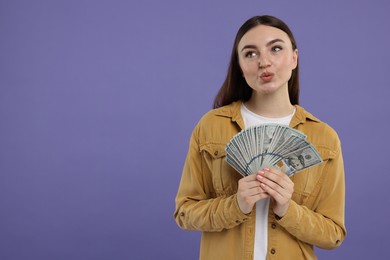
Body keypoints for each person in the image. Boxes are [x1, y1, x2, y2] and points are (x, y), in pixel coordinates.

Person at [174, 15, 346, 260]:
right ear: (240, 66)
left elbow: (333, 234)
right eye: (250, 54)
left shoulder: (324, 139)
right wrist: (236, 205)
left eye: (276, 48)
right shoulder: (211, 127)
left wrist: (288, 209)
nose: (264, 62)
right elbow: (184, 213)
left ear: (294, 58)